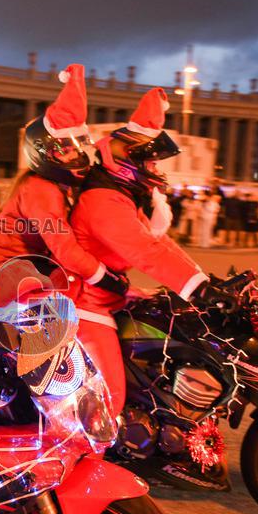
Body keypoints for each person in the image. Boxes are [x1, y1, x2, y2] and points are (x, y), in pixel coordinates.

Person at [70, 87, 225, 414]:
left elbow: (159, 243)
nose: (156, 169)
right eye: (152, 161)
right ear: (131, 159)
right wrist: (197, 288)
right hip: (84, 305)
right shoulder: (102, 200)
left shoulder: (121, 195)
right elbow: (144, 251)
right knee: (109, 398)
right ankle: (82, 459)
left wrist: (203, 280)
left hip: (110, 297)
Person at [0, 64, 123, 301]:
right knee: (56, 309)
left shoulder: (57, 185)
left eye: (77, 147)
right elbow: (64, 247)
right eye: (65, 150)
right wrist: (104, 276)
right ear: (43, 153)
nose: (75, 155)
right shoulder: (41, 188)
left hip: (20, 265)